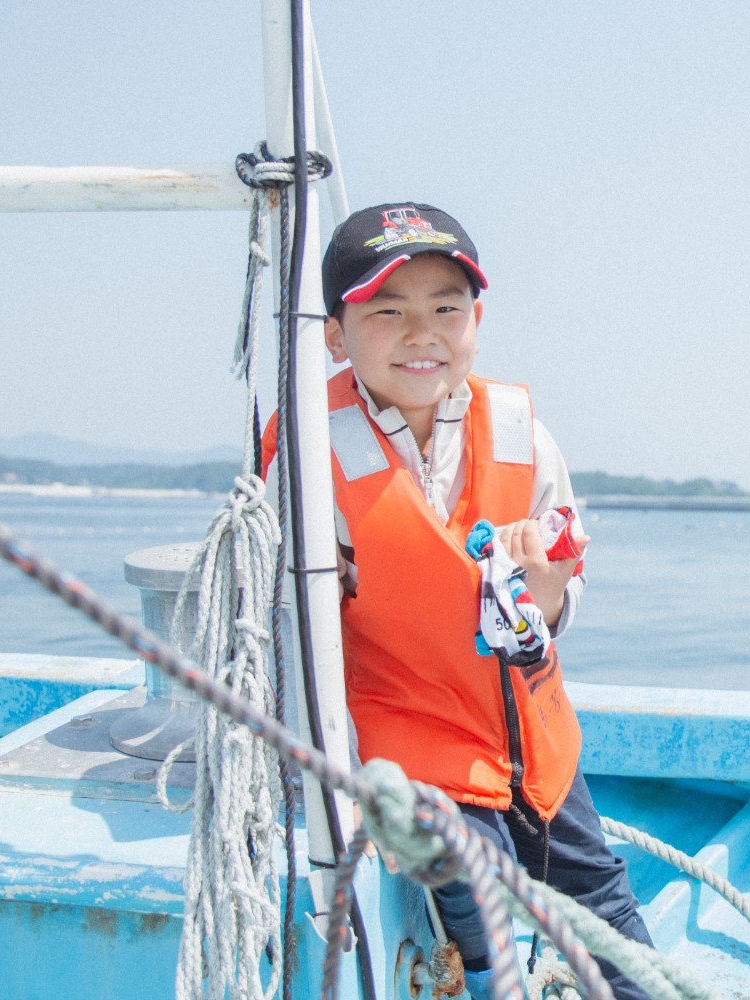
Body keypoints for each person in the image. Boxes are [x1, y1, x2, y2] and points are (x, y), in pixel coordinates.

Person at [265, 202, 653, 1000]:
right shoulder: (308, 452)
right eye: (388, 310)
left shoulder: (522, 431)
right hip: (411, 734)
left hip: (530, 735)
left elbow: (553, 605)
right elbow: (290, 629)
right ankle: (487, 982)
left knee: (601, 895)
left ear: (475, 321)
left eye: (446, 307)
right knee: (483, 879)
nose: (422, 332)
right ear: (336, 335)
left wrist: (544, 581)